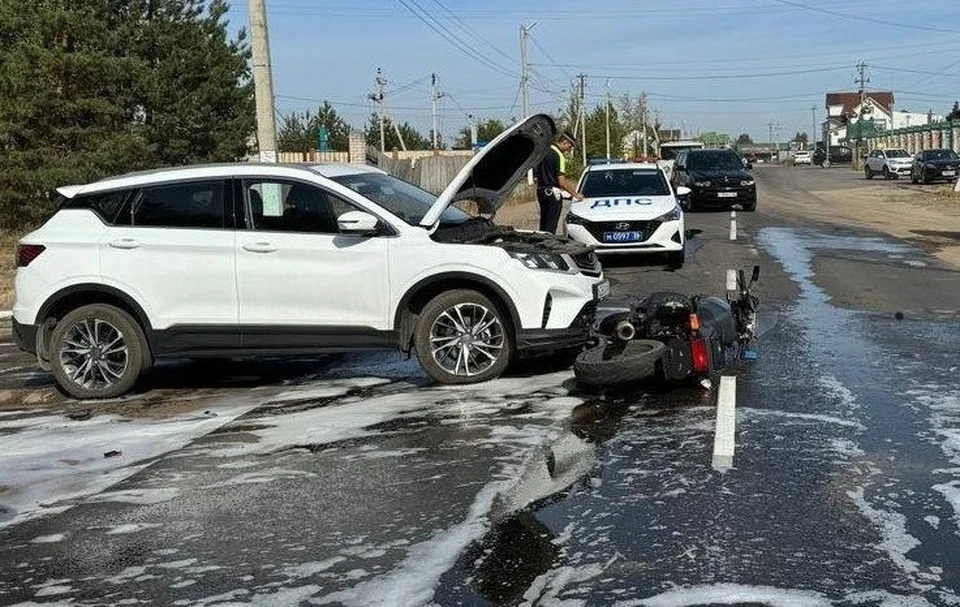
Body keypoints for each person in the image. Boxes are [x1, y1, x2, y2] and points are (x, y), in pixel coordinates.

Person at [535, 131, 583, 234]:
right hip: (553, 193)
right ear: (565, 142)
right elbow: (561, 182)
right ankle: (549, 245)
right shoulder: (559, 156)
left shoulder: (544, 151)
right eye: (570, 146)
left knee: (543, 223)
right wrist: (575, 195)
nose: (570, 150)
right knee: (551, 226)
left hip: (541, 190)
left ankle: (541, 245)